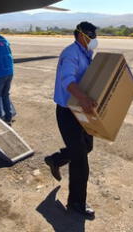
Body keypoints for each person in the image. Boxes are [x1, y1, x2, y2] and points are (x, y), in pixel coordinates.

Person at [44, 21, 99, 219]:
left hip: (80, 110)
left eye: (94, 36)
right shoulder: (71, 53)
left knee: (87, 147)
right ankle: (76, 202)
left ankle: (55, 160)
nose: (94, 40)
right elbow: (67, 80)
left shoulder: (86, 53)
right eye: (90, 36)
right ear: (80, 35)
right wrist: (84, 98)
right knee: (80, 159)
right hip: (68, 112)